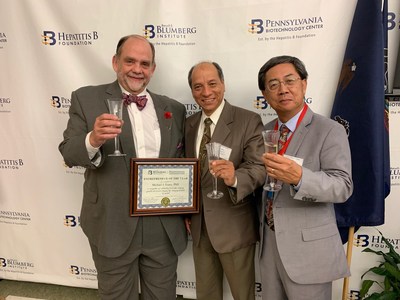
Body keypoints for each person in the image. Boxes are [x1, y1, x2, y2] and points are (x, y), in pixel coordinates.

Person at [59, 34, 187, 300]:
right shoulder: (86, 98)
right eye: (130, 61)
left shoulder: (173, 109)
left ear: (153, 69)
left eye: (144, 63)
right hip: (112, 222)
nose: (137, 69)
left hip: (162, 226)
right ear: (116, 62)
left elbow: (182, 163)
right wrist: (93, 139)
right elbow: (69, 153)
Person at [257, 55, 353, 300]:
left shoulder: (329, 129)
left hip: (309, 252)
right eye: (274, 85)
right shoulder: (265, 132)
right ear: (265, 95)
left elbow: (342, 186)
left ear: (304, 84)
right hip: (269, 246)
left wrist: (300, 177)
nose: (283, 89)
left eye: (290, 80)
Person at [184, 61, 265, 300]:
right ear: (192, 91)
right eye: (198, 87)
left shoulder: (248, 120)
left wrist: (234, 177)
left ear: (223, 84)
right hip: (199, 227)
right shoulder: (188, 124)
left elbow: (260, 167)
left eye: (212, 84)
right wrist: (184, 208)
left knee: (243, 295)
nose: (206, 92)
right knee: (206, 294)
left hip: (234, 227)